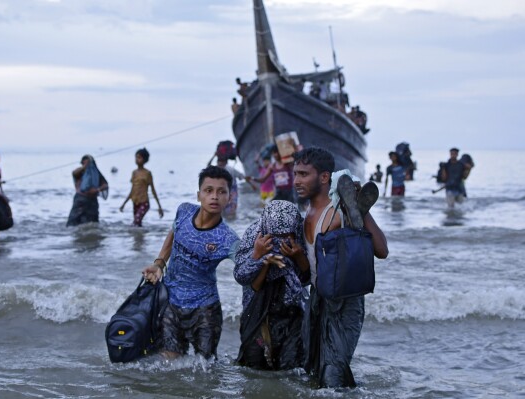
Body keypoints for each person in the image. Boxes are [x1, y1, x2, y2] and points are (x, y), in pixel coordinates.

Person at [293, 147, 388, 388]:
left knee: (332, 375)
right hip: (317, 299)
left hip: (346, 303)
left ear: (324, 177)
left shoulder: (339, 213)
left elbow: (382, 250)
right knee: (313, 370)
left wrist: (359, 211)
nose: (296, 181)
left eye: (304, 174)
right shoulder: (306, 214)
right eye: (295, 174)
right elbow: (309, 271)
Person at [142, 166, 240, 360]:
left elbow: (247, 268)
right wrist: (159, 263)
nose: (214, 197)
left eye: (222, 192)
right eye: (208, 190)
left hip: (205, 310)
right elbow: (174, 232)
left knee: (206, 369)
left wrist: (262, 256)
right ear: (199, 195)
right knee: (170, 366)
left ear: (229, 198)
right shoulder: (184, 211)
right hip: (170, 302)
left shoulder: (229, 240)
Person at [234, 200, 310, 370]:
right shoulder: (254, 235)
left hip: (291, 309)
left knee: (291, 366)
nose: (281, 240)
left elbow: (308, 279)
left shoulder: (300, 236)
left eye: (286, 235)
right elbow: (241, 276)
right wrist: (258, 256)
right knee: (254, 365)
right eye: (276, 235)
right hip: (258, 308)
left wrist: (298, 257)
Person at [119, 148, 164, 227]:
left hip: (144, 202)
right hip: (135, 201)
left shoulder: (147, 173)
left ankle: (138, 237)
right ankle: (139, 239)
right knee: (137, 224)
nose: (137, 159)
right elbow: (132, 190)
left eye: (139, 157)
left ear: (145, 159)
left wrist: (159, 207)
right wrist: (124, 204)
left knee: (136, 222)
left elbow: (153, 190)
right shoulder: (134, 173)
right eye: (136, 157)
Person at [66, 155, 109, 226]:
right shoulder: (79, 172)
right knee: (73, 222)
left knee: (92, 222)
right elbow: (74, 173)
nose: (88, 164)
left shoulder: (96, 173)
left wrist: (97, 190)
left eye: (89, 162)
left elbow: (105, 185)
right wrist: (85, 167)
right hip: (80, 200)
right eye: (85, 162)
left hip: (92, 201)